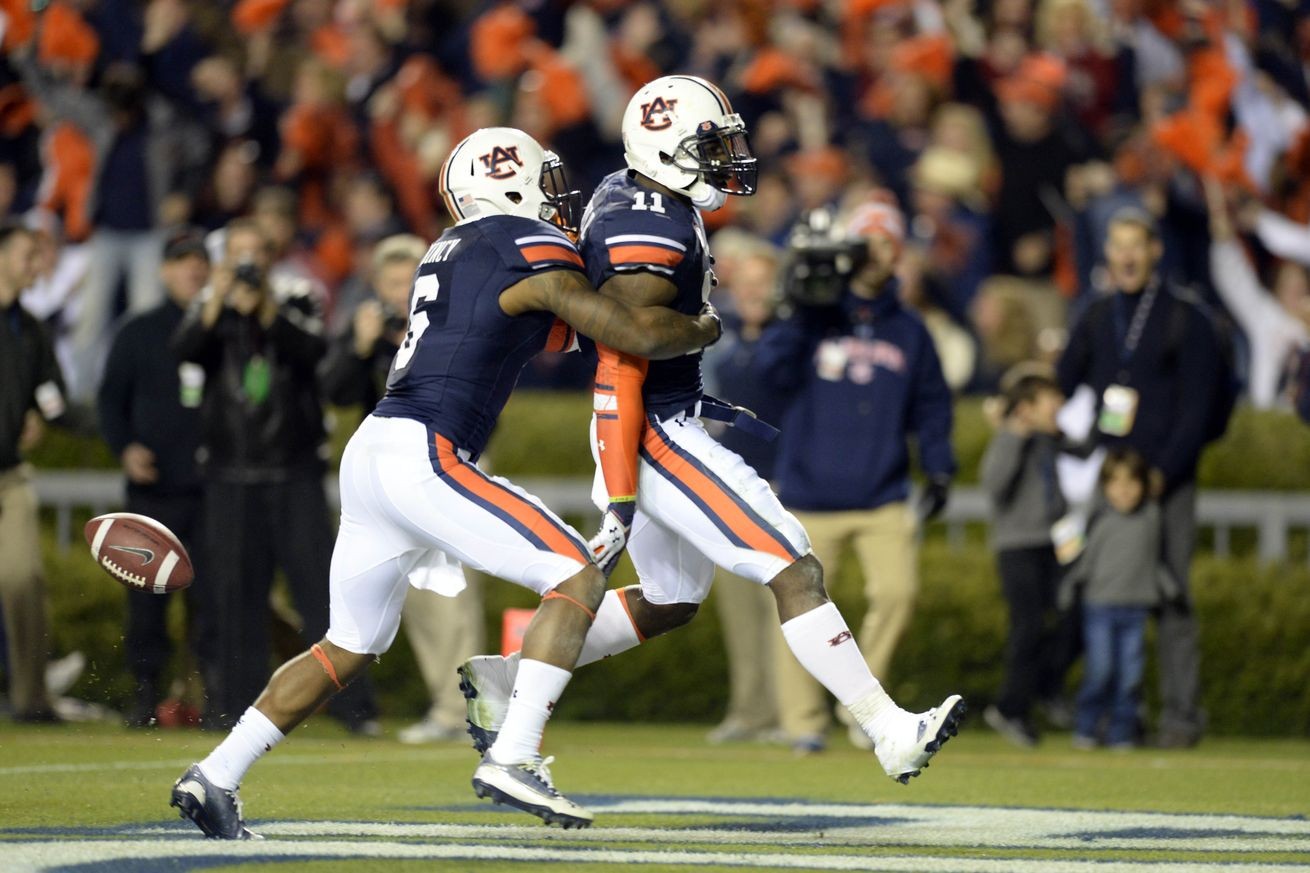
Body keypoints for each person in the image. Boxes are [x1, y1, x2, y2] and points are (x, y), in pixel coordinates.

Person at [169, 126, 723, 838]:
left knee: (348, 643)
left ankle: (215, 772)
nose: (558, 200)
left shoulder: (453, 247)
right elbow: (629, 332)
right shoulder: (528, 246)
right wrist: (701, 323)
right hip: (424, 448)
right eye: (545, 183)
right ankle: (514, 755)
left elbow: (550, 328)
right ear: (512, 185)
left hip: (376, 450)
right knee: (578, 576)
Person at [458, 77, 964, 782]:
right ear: (665, 148)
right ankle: (887, 728)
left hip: (648, 425)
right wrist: (701, 335)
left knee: (670, 600)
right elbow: (628, 340)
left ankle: (508, 677)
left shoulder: (630, 192)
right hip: (656, 430)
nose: (728, 158)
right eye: (711, 145)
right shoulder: (651, 218)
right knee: (794, 565)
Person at [756, 197, 957, 753]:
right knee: (799, 608)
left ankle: (859, 707)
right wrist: (800, 309)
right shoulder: (817, 313)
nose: (874, 253)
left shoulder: (911, 329)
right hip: (809, 492)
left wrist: (939, 468)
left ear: (897, 253)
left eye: (885, 242)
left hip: (882, 493)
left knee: (898, 593)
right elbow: (769, 372)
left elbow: (933, 406)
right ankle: (802, 724)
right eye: (865, 241)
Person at [171, 217, 377, 735]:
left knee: (322, 596)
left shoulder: (296, 295)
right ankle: (233, 707)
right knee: (233, 596)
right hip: (228, 475)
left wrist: (263, 308)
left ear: (269, 256)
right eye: (237, 254)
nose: (247, 265)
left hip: (294, 472)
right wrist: (218, 301)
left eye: (255, 254)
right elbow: (182, 353)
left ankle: (356, 711)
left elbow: (312, 354)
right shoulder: (208, 304)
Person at [1056, 207, 1226, 748]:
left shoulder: (1187, 317)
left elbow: (1199, 409)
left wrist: (1164, 473)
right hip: (1110, 487)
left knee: (1171, 599)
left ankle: (1180, 718)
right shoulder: (1097, 311)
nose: (1126, 255)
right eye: (1117, 245)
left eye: (1137, 245)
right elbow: (1065, 379)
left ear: (1155, 251)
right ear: (1107, 253)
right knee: (1103, 599)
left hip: (1164, 485)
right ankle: (1107, 716)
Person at [320, 233, 484, 745]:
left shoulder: (453, 326)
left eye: (407, 280)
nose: (400, 292)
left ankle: (471, 711)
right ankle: (447, 706)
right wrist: (360, 346)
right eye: (391, 282)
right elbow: (335, 390)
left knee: (452, 591)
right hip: (392, 471)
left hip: (448, 460)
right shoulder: (372, 330)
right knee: (416, 595)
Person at [96, 228, 211, 727]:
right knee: (147, 601)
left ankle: (213, 697)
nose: (191, 269)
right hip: (152, 490)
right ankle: (145, 693)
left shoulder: (220, 328)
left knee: (212, 603)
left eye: (198, 261)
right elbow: (108, 400)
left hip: (211, 491)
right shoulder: (138, 331)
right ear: (164, 270)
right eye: (182, 261)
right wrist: (125, 448)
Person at [700, 239, 788, 744]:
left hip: (784, 487)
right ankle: (749, 710)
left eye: (764, 282)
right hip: (734, 487)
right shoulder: (722, 340)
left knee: (786, 603)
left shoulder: (795, 341)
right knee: (738, 608)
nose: (754, 291)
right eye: (746, 282)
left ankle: (787, 713)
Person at [980, 364, 1080, 747]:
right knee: (1029, 626)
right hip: (1018, 544)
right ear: (1027, 407)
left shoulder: (1048, 439)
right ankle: (1011, 708)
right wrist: (1014, 435)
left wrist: (1114, 413)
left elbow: (1088, 448)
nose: (1058, 404)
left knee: (1080, 610)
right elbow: (995, 486)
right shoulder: (1012, 438)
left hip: (1058, 540)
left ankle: (1047, 687)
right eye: (1049, 399)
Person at [1058, 447, 1179, 749]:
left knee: (1130, 676)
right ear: (1105, 486)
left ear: (1143, 486)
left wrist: (1169, 588)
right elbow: (1082, 561)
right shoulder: (1096, 517)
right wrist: (1068, 586)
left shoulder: (1152, 516)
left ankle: (1121, 733)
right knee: (1100, 670)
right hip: (1099, 606)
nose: (1124, 491)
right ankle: (1086, 727)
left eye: (1131, 483)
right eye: (1115, 483)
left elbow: (1154, 560)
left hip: (1136, 608)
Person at [0, 222, 65, 723]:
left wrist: (44, 416)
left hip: (10, 475)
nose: (35, 265)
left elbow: (53, 396)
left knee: (24, 580)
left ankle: (31, 699)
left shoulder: (31, 328)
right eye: (26, 254)